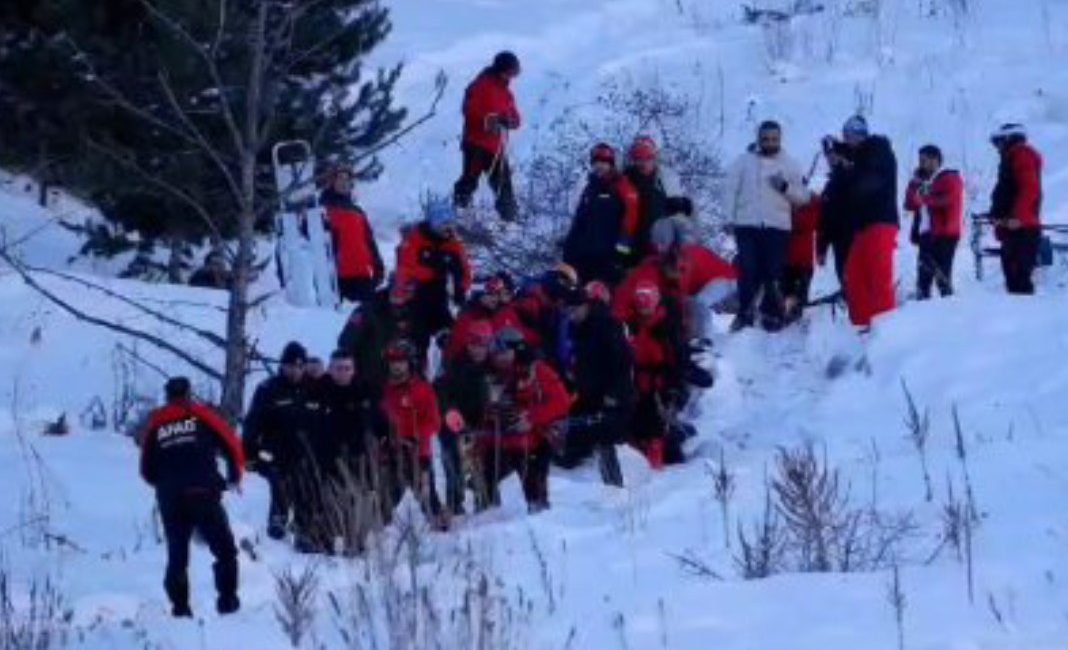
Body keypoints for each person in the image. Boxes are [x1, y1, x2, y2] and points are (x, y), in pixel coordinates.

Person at [139, 377, 243, 617]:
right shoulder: (200, 414)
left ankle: (180, 608)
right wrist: (234, 475)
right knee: (225, 550)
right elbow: (231, 443)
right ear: (188, 393)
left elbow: (146, 468)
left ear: (166, 396)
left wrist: (165, 485)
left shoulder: (156, 422)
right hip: (203, 492)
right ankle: (228, 602)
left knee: (177, 555)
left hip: (171, 498)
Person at [723, 120, 811, 331]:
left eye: (774, 139)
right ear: (758, 138)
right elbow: (730, 190)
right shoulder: (743, 162)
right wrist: (729, 218)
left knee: (773, 272)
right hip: (747, 224)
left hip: (777, 226)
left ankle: (771, 314)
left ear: (780, 139)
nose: (769, 142)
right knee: (747, 270)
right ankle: (745, 314)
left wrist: (784, 187)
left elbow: (803, 198)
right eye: (765, 138)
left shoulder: (790, 164)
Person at [479, 328, 570, 513]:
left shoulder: (538, 371)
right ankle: (489, 516)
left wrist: (531, 417)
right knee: (484, 477)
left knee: (534, 481)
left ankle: (539, 514)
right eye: (497, 353)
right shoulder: (492, 373)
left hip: (536, 437)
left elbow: (561, 401)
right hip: (500, 438)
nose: (500, 358)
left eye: (504, 352)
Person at [243, 342, 325, 543]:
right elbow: (252, 424)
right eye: (290, 366)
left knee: (306, 484)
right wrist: (250, 454)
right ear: (282, 365)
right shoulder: (268, 389)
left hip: (306, 452)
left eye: (299, 366)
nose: (295, 371)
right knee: (279, 479)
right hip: (273, 451)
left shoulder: (315, 388)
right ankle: (278, 519)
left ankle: (304, 529)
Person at [561, 283, 634, 487]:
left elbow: (622, 361)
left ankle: (615, 486)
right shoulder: (575, 328)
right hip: (588, 394)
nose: (571, 314)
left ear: (585, 305)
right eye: (568, 310)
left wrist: (613, 393)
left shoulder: (607, 325)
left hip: (613, 395)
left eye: (574, 309)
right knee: (573, 437)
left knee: (606, 437)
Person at [314, 348, 383, 553]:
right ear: (330, 369)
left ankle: (360, 542)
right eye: (338, 369)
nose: (343, 373)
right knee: (331, 502)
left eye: (347, 368)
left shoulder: (364, 390)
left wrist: (382, 441)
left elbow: (380, 421)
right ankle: (330, 540)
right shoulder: (319, 390)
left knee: (360, 501)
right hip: (327, 459)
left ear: (353, 370)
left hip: (359, 458)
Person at [835, 115, 900, 329]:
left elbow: (868, 181)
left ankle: (886, 330)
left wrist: (846, 168)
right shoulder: (861, 156)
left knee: (878, 276)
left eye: (851, 135)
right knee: (854, 275)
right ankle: (862, 327)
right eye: (845, 136)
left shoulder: (878, 149)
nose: (848, 139)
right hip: (863, 226)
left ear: (862, 134)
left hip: (880, 221)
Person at [380, 339, 445, 527]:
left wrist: (415, 437)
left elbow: (433, 421)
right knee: (388, 497)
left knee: (427, 496)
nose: (397, 367)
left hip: (417, 452)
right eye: (393, 362)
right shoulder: (383, 390)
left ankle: (441, 527)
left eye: (401, 362)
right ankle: (380, 531)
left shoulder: (423, 389)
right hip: (391, 453)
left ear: (410, 363)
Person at [453, 51, 522, 221]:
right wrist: (493, 119)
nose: (513, 76)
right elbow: (469, 112)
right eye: (511, 72)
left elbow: (516, 118)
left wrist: (509, 121)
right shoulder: (480, 85)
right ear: (501, 70)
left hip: (495, 147)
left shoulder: (506, 91)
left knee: (503, 184)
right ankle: (458, 215)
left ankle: (509, 220)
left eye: (515, 72)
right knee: (469, 181)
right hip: (475, 143)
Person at [434, 320, 494, 514]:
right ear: (468, 344)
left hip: (480, 425)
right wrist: (449, 411)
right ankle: (455, 506)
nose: (478, 350)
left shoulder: (492, 366)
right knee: (454, 468)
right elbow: (439, 393)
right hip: (454, 425)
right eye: (474, 344)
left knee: (484, 466)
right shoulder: (453, 366)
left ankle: (486, 504)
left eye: (483, 345)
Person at [622, 281, 683, 469]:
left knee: (656, 423)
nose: (643, 310)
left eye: (646, 305)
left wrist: (670, 386)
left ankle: (656, 461)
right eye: (640, 305)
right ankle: (635, 461)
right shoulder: (630, 325)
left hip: (658, 383)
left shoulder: (665, 327)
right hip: (634, 381)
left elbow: (675, 359)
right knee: (631, 420)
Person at [562, 143, 640, 285]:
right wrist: (569, 250)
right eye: (596, 162)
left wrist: (619, 257)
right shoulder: (589, 189)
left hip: (608, 260)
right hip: (584, 258)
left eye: (603, 162)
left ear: (611, 164)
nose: (599, 166)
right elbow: (579, 222)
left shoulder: (623, 186)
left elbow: (630, 223)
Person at [395, 199, 472, 339]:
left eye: (450, 223)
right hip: (413, 298)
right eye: (443, 224)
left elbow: (464, 271)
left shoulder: (453, 244)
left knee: (451, 337)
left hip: (439, 298)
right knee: (415, 341)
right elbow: (405, 269)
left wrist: (460, 290)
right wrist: (433, 272)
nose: (448, 228)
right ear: (433, 224)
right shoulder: (415, 239)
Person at [338, 279, 428, 393]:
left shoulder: (414, 313)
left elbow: (419, 346)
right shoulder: (368, 310)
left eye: (406, 293)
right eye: (397, 291)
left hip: (402, 384)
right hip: (370, 382)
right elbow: (346, 342)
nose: (399, 297)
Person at [988, 123, 1043, 294]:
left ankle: (1026, 317)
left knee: (1019, 280)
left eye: (999, 142)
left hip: (1021, 229)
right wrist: (997, 216)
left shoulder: (1021, 153)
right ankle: (1021, 316)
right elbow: (1007, 191)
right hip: (1013, 228)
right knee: (1013, 280)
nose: (997, 148)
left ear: (1008, 138)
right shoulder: (1011, 157)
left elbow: (1029, 188)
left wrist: (1018, 217)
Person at [904, 144, 963, 299]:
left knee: (942, 275)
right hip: (925, 234)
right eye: (921, 160)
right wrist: (914, 183)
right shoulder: (923, 181)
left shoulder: (949, 177)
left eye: (926, 160)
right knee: (923, 278)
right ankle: (922, 309)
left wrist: (923, 198)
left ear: (936, 160)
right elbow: (909, 204)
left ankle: (949, 310)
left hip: (944, 233)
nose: (923, 163)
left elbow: (947, 200)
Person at [320, 164, 385, 303]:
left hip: (362, 275)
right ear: (332, 182)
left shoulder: (358, 212)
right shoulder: (323, 210)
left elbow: (369, 241)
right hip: (337, 279)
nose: (344, 183)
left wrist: (378, 265)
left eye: (347, 179)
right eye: (340, 179)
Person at [623, 135, 693, 262]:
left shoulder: (664, 182)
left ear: (654, 159)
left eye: (647, 158)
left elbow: (677, 219)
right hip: (629, 246)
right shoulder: (624, 182)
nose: (643, 163)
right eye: (638, 158)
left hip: (657, 248)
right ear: (633, 160)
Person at [442, 274, 523, 362]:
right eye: (493, 294)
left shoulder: (509, 315)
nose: (497, 299)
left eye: (507, 294)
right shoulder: (471, 315)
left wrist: (520, 351)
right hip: (471, 366)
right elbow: (454, 348)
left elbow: (520, 342)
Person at [782, 194, 821, 320]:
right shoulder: (784, 200)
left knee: (800, 296)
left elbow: (809, 223)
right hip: (787, 259)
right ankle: (789, 316)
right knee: (787, 292)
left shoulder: (812, 201)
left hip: (803, 260)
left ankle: (797, 319)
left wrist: (793, 214)